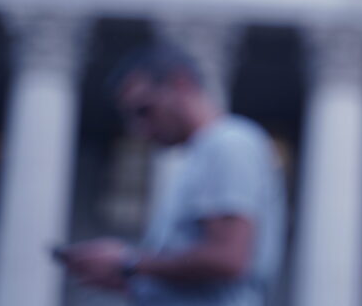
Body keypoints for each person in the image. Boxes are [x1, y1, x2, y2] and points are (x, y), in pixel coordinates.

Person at [58, 43, 287, 305]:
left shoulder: (227, 144)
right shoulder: (206, 153)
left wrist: (128, 262)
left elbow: (229, 258)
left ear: (180, 83)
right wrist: (130, 277)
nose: (140, 129)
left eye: (144, 110)